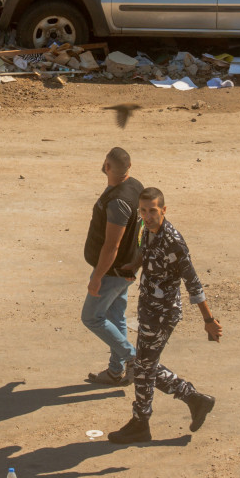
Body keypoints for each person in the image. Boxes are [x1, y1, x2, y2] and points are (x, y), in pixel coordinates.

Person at [107, 187, 221, 444]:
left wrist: (208, 320)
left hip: (163, 314)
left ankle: (141, 422)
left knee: (143, 367)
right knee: (145, 366)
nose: (147, 216)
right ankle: (193, 399)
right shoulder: (147, 229)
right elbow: (144, 251)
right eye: (144, 211)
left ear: (164, 210)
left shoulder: (174, 242)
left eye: (153, 211)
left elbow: (193, 283)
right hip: (148, 309)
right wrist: (134, 265)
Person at [82, 147, 141, 386]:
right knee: (116, 318)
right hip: (126, 268)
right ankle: (116, 371)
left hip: (113, 270)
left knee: (92, 317)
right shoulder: (136, 186)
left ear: (108, 167)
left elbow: (111, 246)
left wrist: (97, 277)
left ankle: (134, 358)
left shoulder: (118, 202)